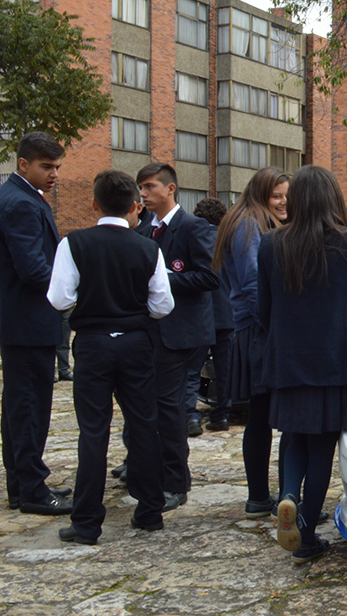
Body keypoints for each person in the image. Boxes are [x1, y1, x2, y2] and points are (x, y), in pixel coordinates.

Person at [258, 165, 347, 563]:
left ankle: (287, 495)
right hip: (337, 360)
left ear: (297, 200)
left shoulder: (271, 244)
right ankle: (303, 533)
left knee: (294, 435)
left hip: (288, 358)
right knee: (321, 445)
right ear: (333, 199)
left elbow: (262, 309)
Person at [47, 170, 175, 544]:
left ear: (93, 204)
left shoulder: (75, 243)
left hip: (92, 343)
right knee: (143, 423)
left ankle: (87, 521)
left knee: (92, 431)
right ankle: (150, 509)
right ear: (136, 206)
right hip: (135, 343)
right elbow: (162, 305)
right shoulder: (149, 248)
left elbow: (59, 299)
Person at [135, 163, 219, 510]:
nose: (144, 194)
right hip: (147, 333)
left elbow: (210, 278)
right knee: (146, 405)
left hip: (181, 333)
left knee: (169, 409)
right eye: (140, 188)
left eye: (150, 187)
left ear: (170, 189)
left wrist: (163, 279)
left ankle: (175, 482)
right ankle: (142, 467)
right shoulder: (142, 230)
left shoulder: (193, 227)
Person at [0, 132, 72, 515]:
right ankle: (31, 490)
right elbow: (33, 270)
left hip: (20, 322)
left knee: (17, 407)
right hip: (28, 321)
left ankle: (22, 483)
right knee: (29, 407)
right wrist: (72, 288)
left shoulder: (18, 197)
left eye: (57, 167)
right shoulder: (21, 204)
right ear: (23, 164)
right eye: (47, 166)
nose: (54, 174)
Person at [213, 167, 289, 518]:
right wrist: (277, 329)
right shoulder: (248, 223)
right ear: (260, 194)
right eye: (277, 196)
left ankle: (262, 497)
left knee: (260, 417)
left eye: (287, 196)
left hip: (257, 329)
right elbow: (251, 283)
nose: (284, 202)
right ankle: (267, 496)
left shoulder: (252, 220)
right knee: (267, 417)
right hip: (260, 332)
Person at [186, 197, 235, 433]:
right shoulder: (230, 241)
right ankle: (221, 415)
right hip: (226, 311)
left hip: (198, 312)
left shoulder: (190, 237)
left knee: (191, 368)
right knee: (225, 370)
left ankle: (191, 415)